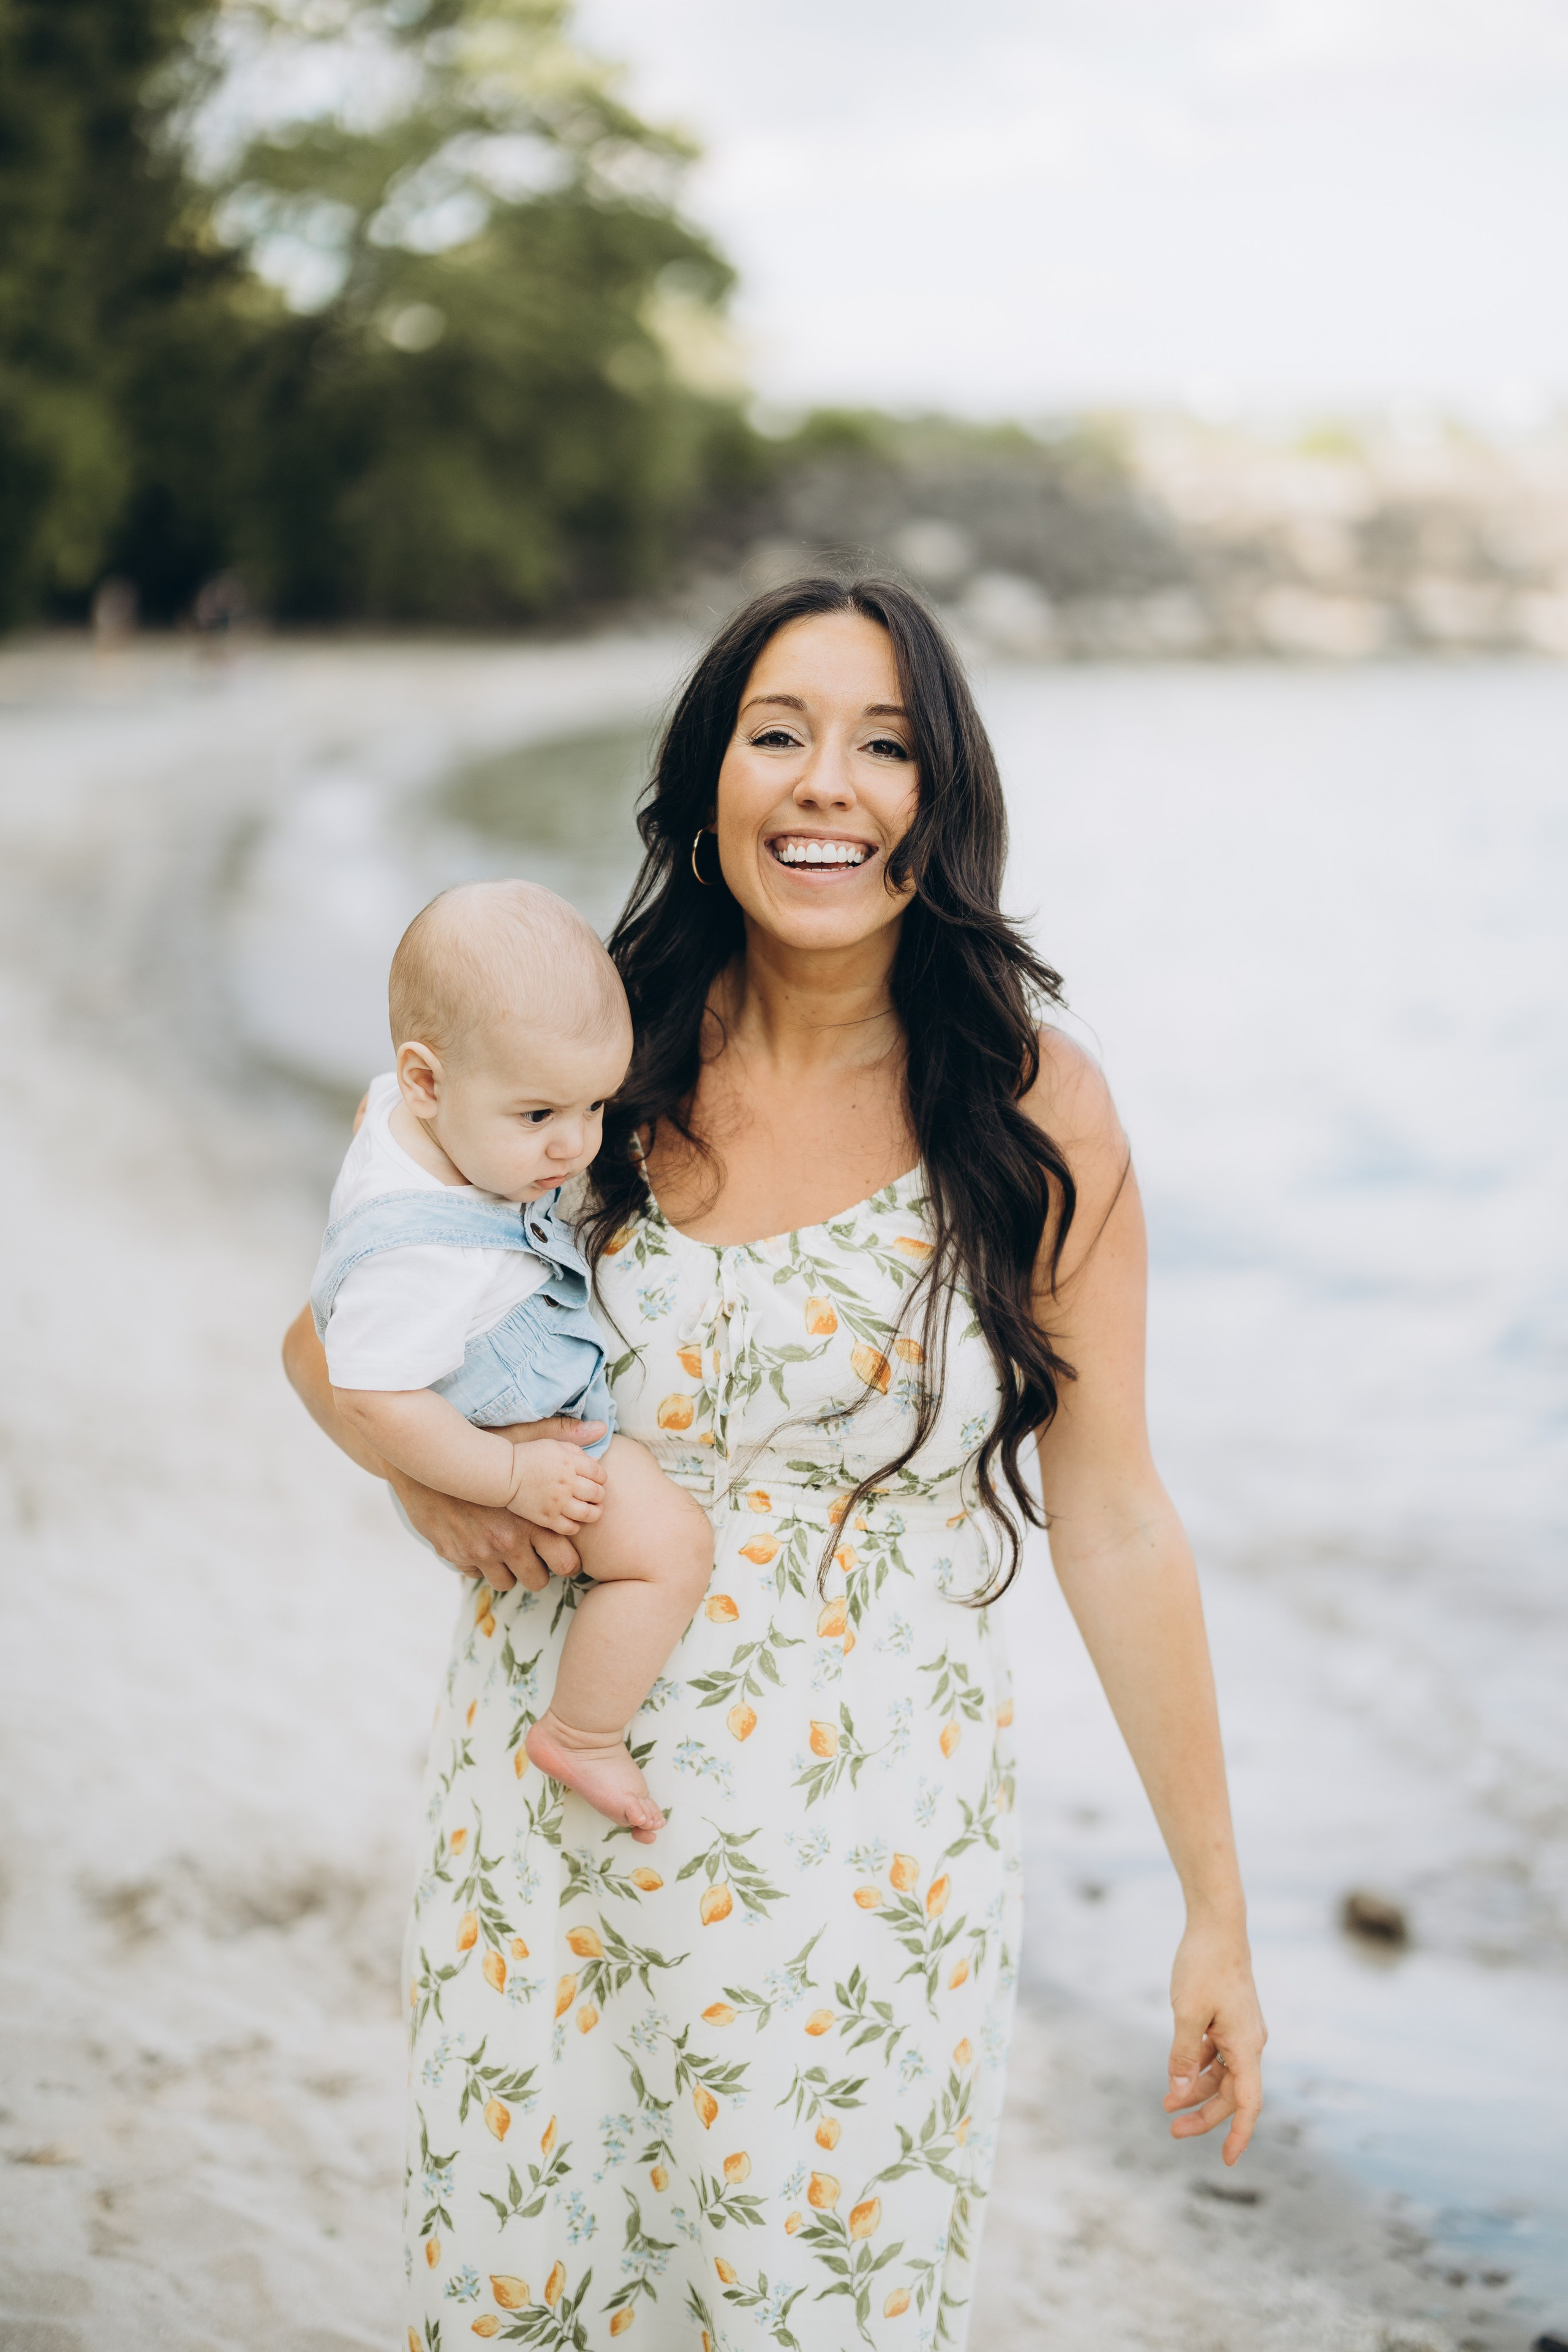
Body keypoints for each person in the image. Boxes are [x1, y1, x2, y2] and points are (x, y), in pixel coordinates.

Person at [284, 575, 1266, 2351]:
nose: (830, 784)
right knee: (539, 2300)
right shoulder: (580, 1049)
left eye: (885, 745)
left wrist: (1215, 1909)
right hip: (557, 1833)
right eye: (781, 734)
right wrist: (429, 1474)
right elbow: (340, 1324)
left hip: (875, 1860)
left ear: (941, 799)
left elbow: (1114, 1513)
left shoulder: (1035, 1105)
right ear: (710, 777)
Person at [311, 880, 712, 1838]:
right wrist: (508, 1475)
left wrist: (521, 1119)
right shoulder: (421, 1251)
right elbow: (369, 1393)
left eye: (596, 1107)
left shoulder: (408, 1122)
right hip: (506, 1435)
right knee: (669, 1550)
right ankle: (583, 1731)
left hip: (504, 1412)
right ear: (426, 1081)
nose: (575, 1146)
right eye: (537, 1116)